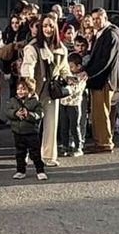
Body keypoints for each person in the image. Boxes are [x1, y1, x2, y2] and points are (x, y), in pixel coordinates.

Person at [21, 14, 71, 164]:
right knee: (30, 124)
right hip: (35, 90)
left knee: (51, 123)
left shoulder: (61, 48)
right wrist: (28, 86)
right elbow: (27, 67)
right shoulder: (33, 47)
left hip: (52, 90)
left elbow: (64, 69)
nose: (48, 29)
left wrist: (70, 78)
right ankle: (28, 154)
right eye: (44, 26)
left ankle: (49, 156)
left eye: (50, 25)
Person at [82, 6, 119, 153]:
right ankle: (99, 140)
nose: (96, 21)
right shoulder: (101, 33)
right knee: (97, 113)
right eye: (94, 19)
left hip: (104, 80)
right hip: (98, 79)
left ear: (105, 18)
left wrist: (88, 73)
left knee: (102, 112)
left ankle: (105, 142)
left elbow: (105, 61)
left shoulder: (110, 34)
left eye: (98, 18)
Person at [5, 75, 47, 180]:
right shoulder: (13, 101)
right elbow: (7, 112)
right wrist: (15, 113)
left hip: (31, 132)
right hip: (17, 132)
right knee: (20, 153)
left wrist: (28, 115)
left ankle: (40, 170)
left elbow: (40, 114)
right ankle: (20, 170)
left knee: (35, 153)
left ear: (30, 90)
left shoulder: (35, 102)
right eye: (19, 89)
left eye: (23, 89)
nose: (20, 91)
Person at [60, 52, 87, 157]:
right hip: (63, 103)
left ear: (78, 66)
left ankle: (78, 146)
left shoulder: (82, 76)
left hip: (74, 104)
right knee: (64, 126)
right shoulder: (66, 75)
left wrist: (70, 83)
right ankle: (65, 145)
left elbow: (77, 89)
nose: (69, 69)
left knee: (74, 126)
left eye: (71, 66)